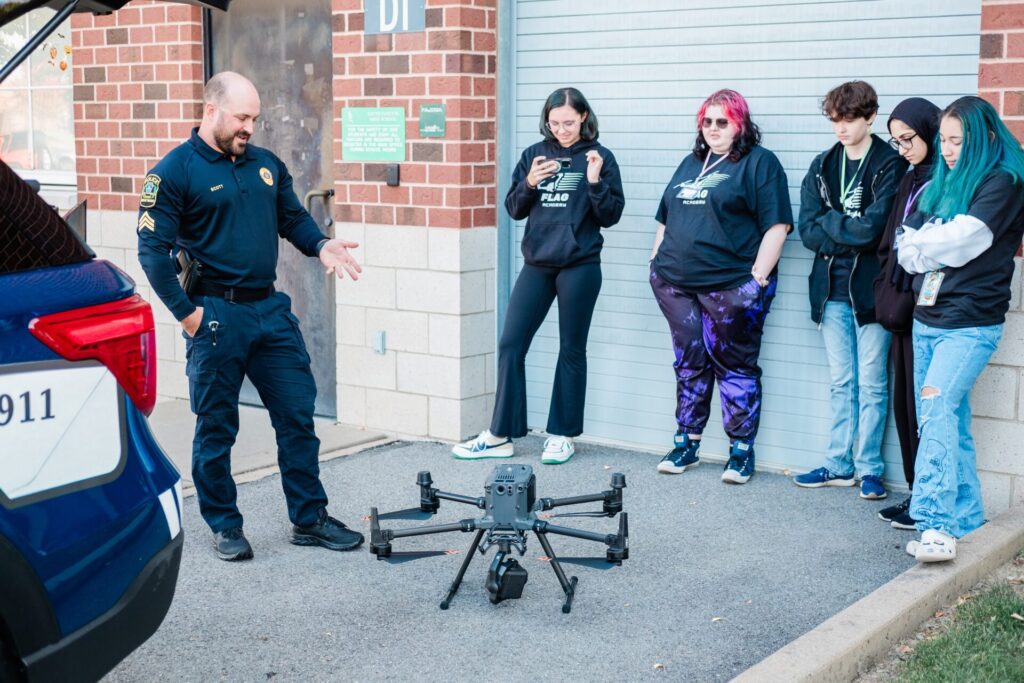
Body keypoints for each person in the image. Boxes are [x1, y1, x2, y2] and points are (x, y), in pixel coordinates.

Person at [137, 72, 365, 561]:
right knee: (217, 427)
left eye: (254, 118)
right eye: (242, 117)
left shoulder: (265, 165)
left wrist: (322, 244)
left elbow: (293, 219)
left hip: (269, 309)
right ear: (211, 111)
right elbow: (152, 252)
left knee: (297, 418)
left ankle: (309, 518)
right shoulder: (173, 172)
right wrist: (187, 316)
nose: (249, 128)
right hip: (214, 314)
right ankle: (224, 524)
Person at [451, 87, 624, 464]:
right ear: (547, 121)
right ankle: (500, 434)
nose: (562, 129)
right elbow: (514, 209)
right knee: (511, 343)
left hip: (579, 266)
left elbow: (610, 216)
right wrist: (530, 182)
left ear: (583, 118)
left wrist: (594, 181)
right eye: (555, 122)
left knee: (571, 348)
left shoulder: (599, 157)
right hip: (538, 265)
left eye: (569, 122)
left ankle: (561, 435)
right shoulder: (534, 154)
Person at [897, 96, 1024, 562]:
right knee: (950, 421)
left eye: (957, 140)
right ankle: (970, 523)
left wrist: (928, 245)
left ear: (985, 138)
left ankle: (935, 525)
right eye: (944, 140)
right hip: (927, 319)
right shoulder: (943, 182)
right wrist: (930, 245)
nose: (947, 150)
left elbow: (966, 239)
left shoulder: (1003, 181)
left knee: (934, 413)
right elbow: (903, 246)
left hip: (970, 325)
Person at [648, 88, 792, 484]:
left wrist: (756, 281)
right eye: (707, 121)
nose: (713, 128)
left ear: (739, 123)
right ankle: (687, 443)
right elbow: (665, 216)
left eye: (722, 121)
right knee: (689, 364)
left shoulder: (759, 164)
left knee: (735, 368)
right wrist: (655, 263)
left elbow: (777, 226)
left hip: (730, 289)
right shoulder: (690, 162)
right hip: (675, 285)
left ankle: (740, 451)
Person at [794, 81, 906, 499]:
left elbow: (875, 230)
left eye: (849, 119)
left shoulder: (888, 164)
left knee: (873, 382)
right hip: (829, 290)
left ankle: (869, 469)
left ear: (870, 117)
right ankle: (838, 464)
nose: (841, 128)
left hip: (871, 291)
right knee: (842, 382)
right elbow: (807, 229)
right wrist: (843, 231)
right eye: (835, 120)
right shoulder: (823, 165)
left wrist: (832, 223)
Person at [873, 97, 941, 531]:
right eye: (896, 141)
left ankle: (930, 498)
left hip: (929, 306)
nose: (903, 149)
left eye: (909, 139)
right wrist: (886, 282)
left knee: (926, 407)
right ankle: (916, 491)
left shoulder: (945, 178)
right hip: (900, 305)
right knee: (904, 404)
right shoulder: (909, 176)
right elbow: (889, 239)